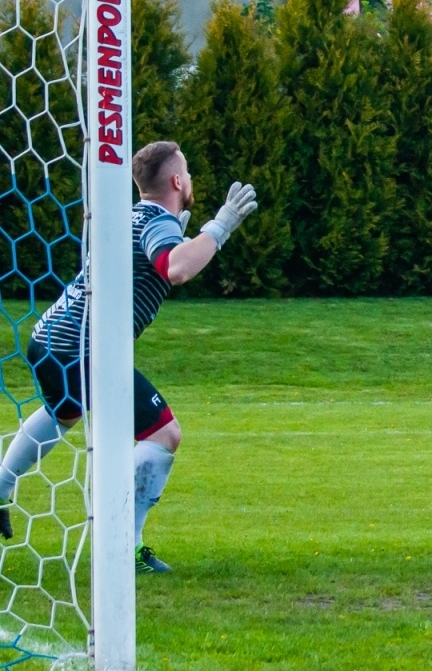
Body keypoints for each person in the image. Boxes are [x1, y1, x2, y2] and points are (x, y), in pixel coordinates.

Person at [0, 140, 257, 574]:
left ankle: (1, 484)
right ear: (177, 181)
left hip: (49, 337)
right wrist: (221, 225)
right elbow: (176, 268)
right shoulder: (156, 222)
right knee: (164, 434)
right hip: (85, 346)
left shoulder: (131, 217)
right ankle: (125, 546)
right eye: (188, 171)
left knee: (64, 414)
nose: (190, 178)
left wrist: (180, 233)